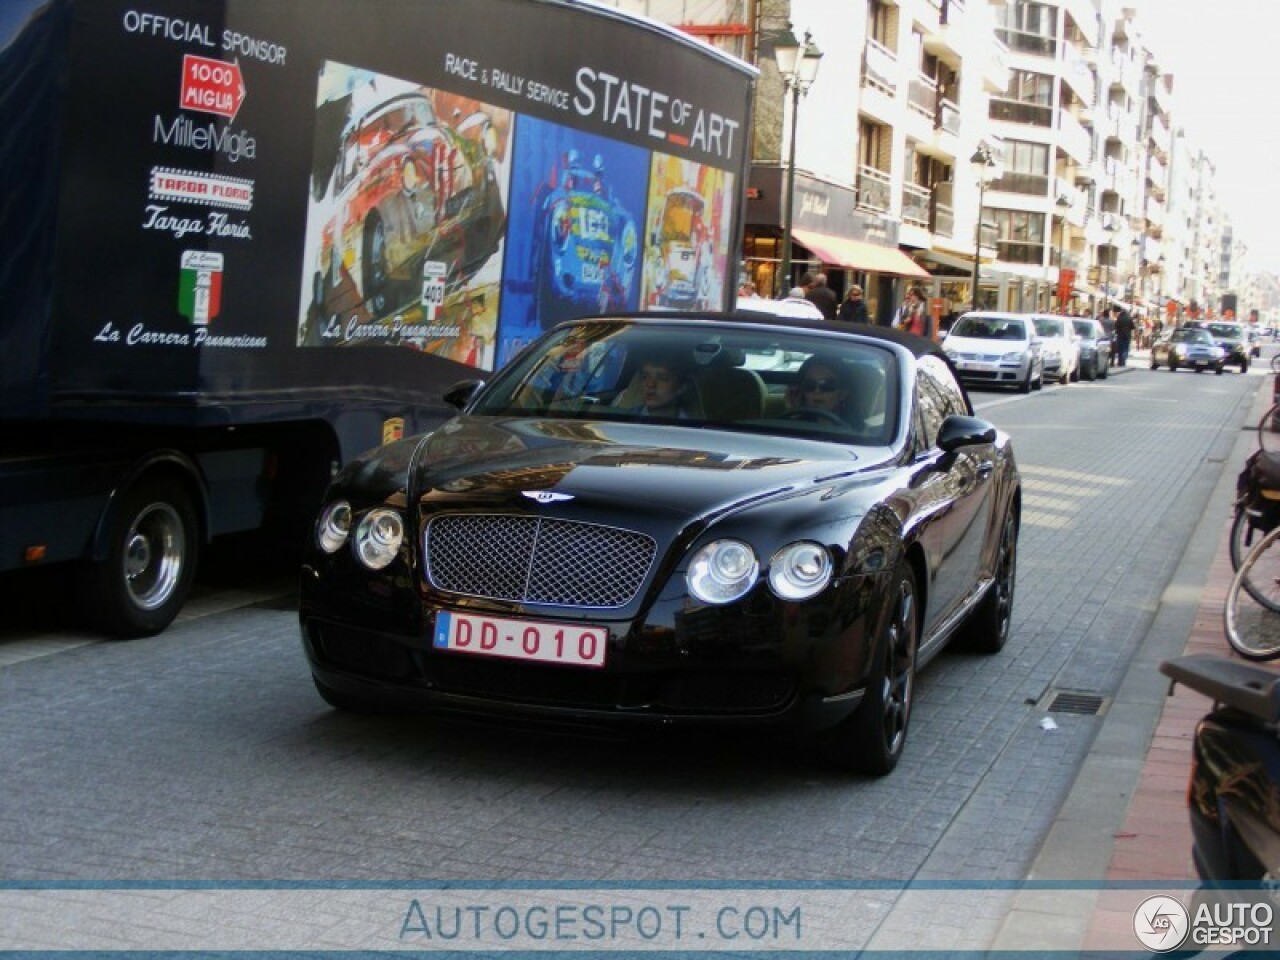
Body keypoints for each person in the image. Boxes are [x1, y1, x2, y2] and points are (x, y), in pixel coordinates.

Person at [786, 355, 849, 422]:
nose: (817, 391)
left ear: (843, 393)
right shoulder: (789, 423)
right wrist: (794, 413)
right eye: (810, 385)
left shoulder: (858, 430)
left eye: (827, 385)